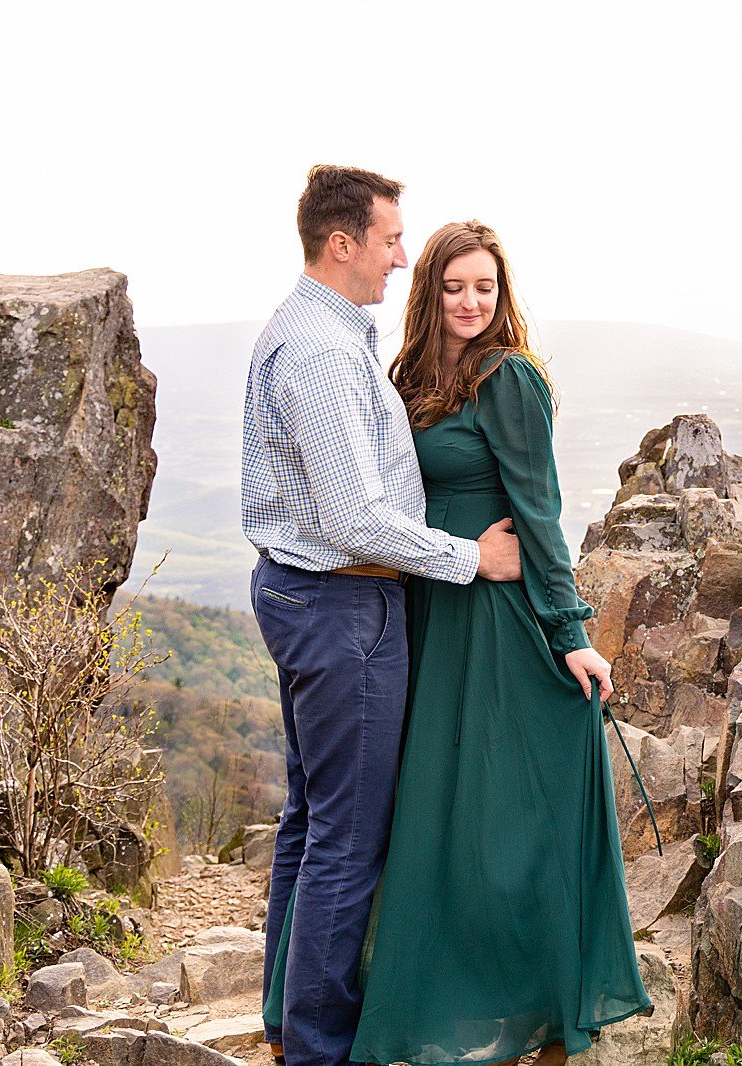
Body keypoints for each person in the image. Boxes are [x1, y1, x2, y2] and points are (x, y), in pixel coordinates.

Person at [264, 221, 651, 1065]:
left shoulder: (510, 380)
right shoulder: (404, 375)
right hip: (423, 606)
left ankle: (527, 1005)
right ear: (429, 292)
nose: (472, 302)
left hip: (494, 618)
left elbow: (539, 513)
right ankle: (360, 1006)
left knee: (494, 817)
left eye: (486, 286)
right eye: (454, 286)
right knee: (411, 816)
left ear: (501, 293)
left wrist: (570, 632)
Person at [242, 167, 524, 1066]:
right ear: (343, 244)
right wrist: (472, 559)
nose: (402, 256)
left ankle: (288, 1023)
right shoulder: (322, 352)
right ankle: (320, 1049)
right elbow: (353, 518)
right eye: (391, 239)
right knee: (346, 838)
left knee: (310, 820)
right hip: (340, 605)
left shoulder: (318, 330)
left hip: (309, 599)